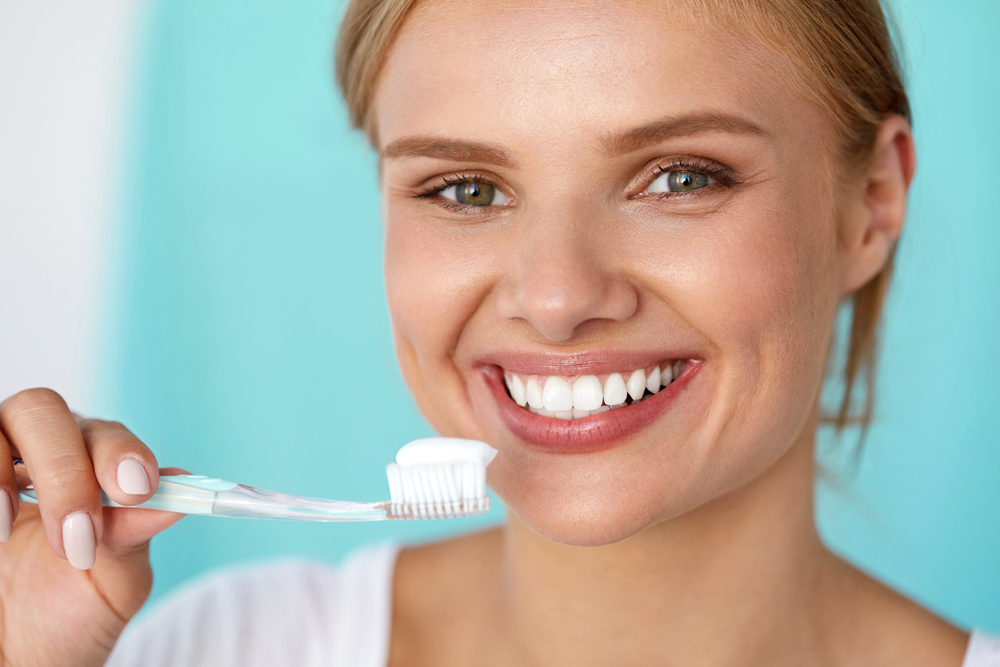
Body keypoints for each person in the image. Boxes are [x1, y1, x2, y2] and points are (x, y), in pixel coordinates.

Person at [0, 0, 996, 665]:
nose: (558, 295)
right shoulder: (233, 647)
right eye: (466, 189)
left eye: (681, 176)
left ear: (870, 200)